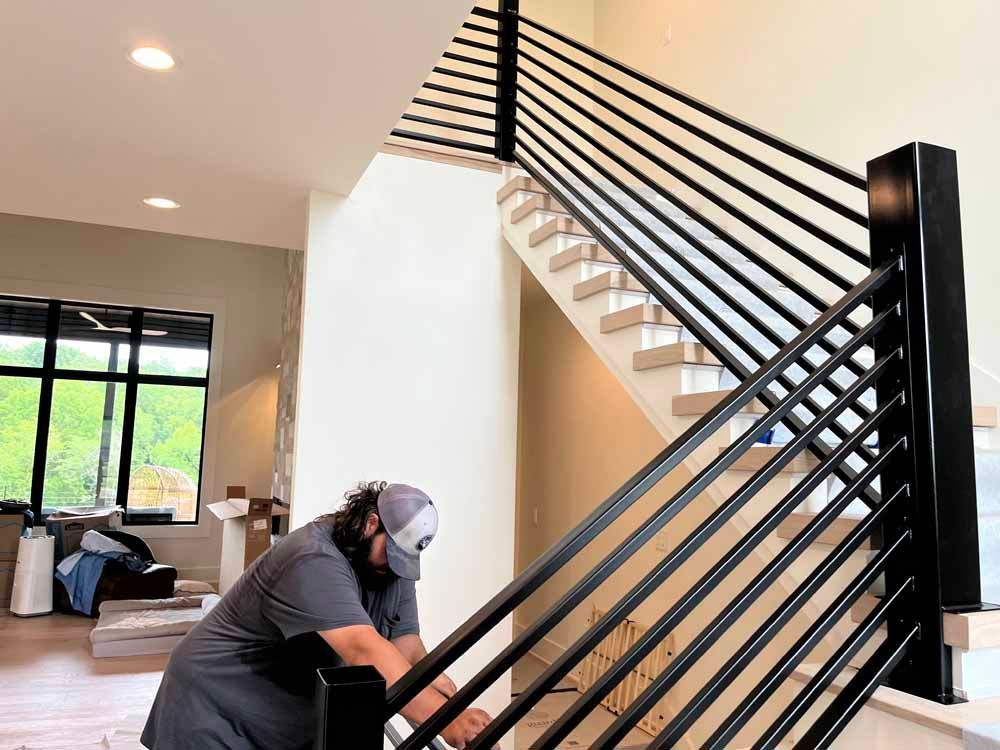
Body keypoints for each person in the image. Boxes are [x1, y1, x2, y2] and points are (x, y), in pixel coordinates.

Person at [141, 481, 499, 750]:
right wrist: (448, 723)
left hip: (278, 709)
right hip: (215, 703)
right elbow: (364, 649)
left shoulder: (392, 567)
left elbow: (406, 648)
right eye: (389, 553)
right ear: (369, 524)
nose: (394, 565)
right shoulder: (312, 558)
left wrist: (461, 710)